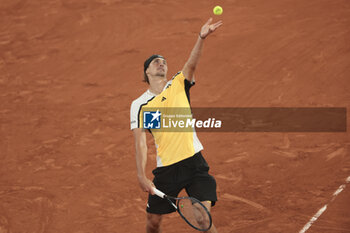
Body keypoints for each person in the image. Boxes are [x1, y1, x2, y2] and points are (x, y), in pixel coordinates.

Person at [130, 18, 222, 233]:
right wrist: (141, 175)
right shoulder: (140, 105)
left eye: (163, 61)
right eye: (155, 62)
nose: (161, 63)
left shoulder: (179, 84)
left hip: (194, 162)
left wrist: (201, 38)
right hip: (167, 169)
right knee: (153, 224)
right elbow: (141, 142)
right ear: (147, 73)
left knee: (202, 219)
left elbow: (191, 63)